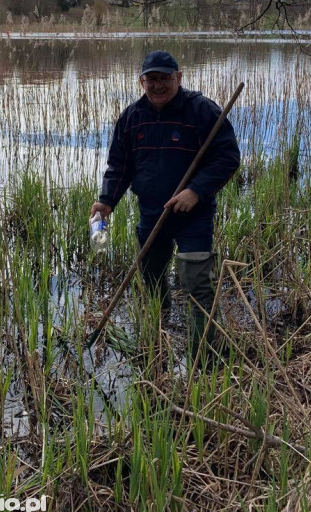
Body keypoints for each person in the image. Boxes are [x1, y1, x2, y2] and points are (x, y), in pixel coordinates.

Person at [90, 50, 240, 363]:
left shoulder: (202, 110)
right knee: (153, 279)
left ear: (179, 78)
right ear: (141, 81)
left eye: (165, 78)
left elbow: (227, 158)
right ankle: (158, 343)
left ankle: (207, 355)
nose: (158, 86)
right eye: (151, 79)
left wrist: (195, 191)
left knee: (197, 282)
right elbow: (120, 166)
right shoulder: (132, 118)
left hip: (193, 216)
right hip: (151, 214)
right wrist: (106, 201)